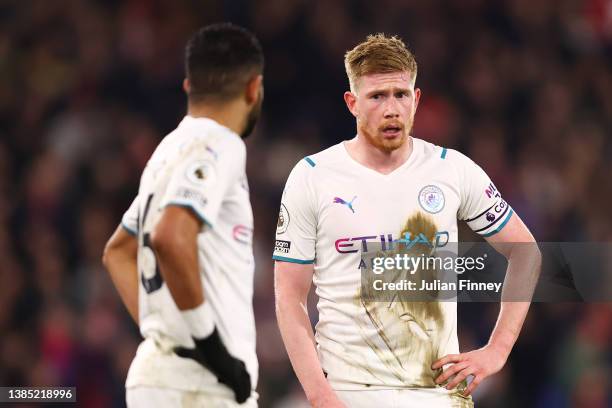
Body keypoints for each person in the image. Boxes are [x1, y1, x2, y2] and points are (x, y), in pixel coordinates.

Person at [273, 33, 540, 407]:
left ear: (415, 99)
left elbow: (526, 251)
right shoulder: (313, 176)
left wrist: (497, 350)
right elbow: (289, 297)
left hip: (435, 395)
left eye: (400, 94)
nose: (391, 108)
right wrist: (319, 394)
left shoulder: (452, 170)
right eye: (377, 96)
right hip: (348, 393)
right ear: (352, 103)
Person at [102, 22, 264, 407]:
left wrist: (166, 333)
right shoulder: (222, 143)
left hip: (160, 377)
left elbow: (118, 252)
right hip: (198, 385)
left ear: (189, 87)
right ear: (253, 89)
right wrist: (210, 348)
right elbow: (170, 237)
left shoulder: (166, 153)